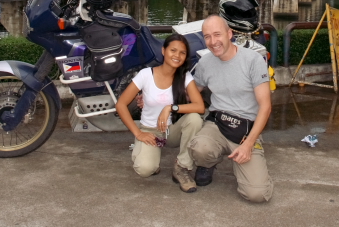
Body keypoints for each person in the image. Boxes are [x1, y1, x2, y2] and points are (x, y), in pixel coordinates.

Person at [188, 14, 273, 203]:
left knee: (257, 194)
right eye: (207, 36)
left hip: (246, 128)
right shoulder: (205, 62)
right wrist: (154, 94)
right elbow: (190, 91)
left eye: (217, 34)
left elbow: (265, 106)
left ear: (229, 33)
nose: (213, 41)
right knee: (199, 148)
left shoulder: (253, 60)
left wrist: (249, 144)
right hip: (217, 123)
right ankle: (208, 163)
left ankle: (245, 161)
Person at [116, 33, 205, 193]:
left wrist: (170, 108)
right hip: (151, 131)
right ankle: (147, 154)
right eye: (173, 50)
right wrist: (138, 133)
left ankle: (182, 167)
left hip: (173, 130)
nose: (177, 55)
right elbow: (121, 104)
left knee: (195, 119)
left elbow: (199, 107)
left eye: (182, 53)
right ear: (163, 51)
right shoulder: (146, 75)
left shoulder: (185, 76)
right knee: (145, 169)